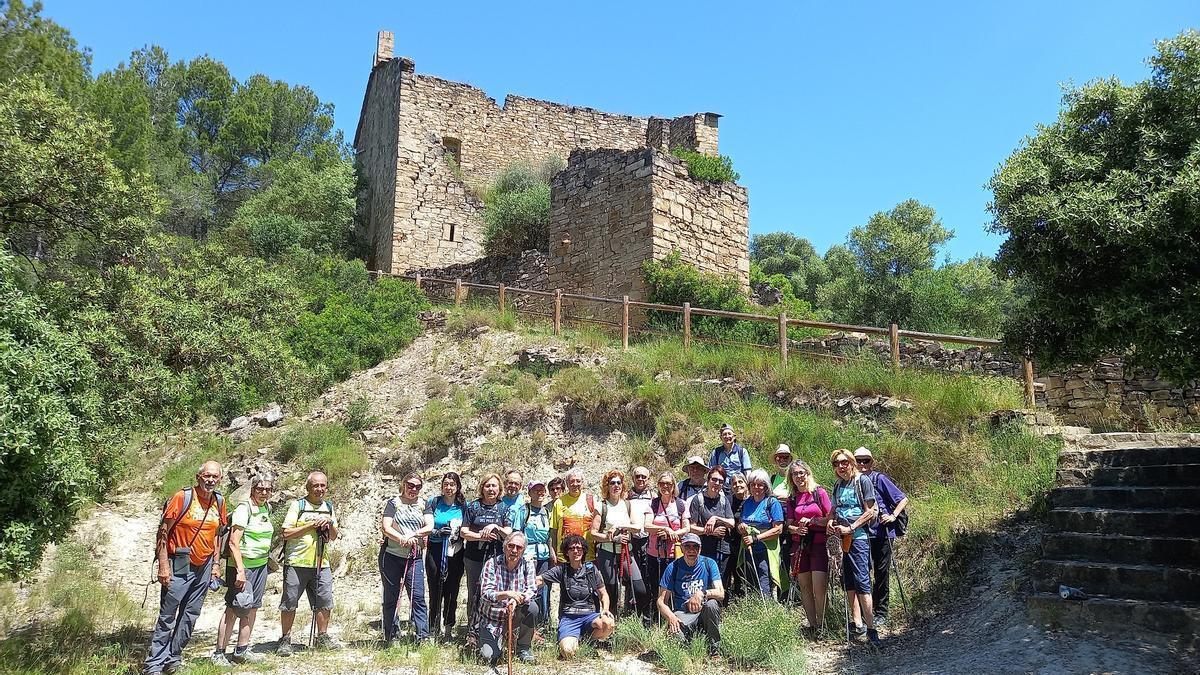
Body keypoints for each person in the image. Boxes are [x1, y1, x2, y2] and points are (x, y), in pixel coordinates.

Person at [145, 461, 228, 675]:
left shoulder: (219, 501)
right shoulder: (182, 498)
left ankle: (173, 658)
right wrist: (163, 565)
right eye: (207, 476)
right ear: (198, 477)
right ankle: (154, 665)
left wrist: (216, 564)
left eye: (215, 477)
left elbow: (217, 535)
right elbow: (163, 532)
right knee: (168, 615)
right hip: (178, 564)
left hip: (204, 566)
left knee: (190, 614)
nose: (211, 480)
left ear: (220, 479)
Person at [212, 472, 273, 666]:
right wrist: (239, 570)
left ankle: (241, 650)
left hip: (260, 565)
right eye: (260, 489)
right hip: (242, 567)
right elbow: (233, 542)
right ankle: (219, 653)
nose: (264, 493)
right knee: (234, 607)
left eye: (268, 489)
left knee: (252, 607)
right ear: (252, 489)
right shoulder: (243, 509)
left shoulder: (266, 508)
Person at [278, 471, 341, 655]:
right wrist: (311, 525)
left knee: (324, 601)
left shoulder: (328, 507)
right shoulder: (298, 505)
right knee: (290, 602)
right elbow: (286, 533)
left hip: (322, 562)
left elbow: (334, 536)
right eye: (315, 485)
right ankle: (285, 639)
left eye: (322, 485)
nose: (319, 489)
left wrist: (329, 524)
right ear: (307, 487)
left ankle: (322, 637)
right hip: (296, 562)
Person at [829, 448, 881, 647]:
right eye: (836, 463)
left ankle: (872, 628)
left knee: (862, 582)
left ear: (851, 462)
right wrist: (831, 521)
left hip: (858, 538)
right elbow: (834, 510)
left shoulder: (862, 481)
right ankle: (857, 623)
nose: (841, 466)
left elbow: (870, 511)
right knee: (848, 581)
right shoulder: (838, 485)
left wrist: (851, 527)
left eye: (844, 462)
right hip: (843, 539)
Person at [537, 533, 616, 658]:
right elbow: (539, 580)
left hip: (590, 616)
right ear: (566, 552)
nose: (576, 551)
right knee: (568, 652)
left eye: (579, 548)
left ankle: (587, 639)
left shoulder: (591, 569)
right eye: (572, 548)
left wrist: (605, 609)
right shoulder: (561, 570)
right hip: (569, 619)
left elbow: (603, 593)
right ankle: (574, 639)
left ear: (583, 551)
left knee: (608, 623)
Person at [854, 447, 908, 627]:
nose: (862, 464)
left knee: (881, 572)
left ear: (872, 462)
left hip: (882, 533)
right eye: (858, 461)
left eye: (866, 460)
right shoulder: (852, 482)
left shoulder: (879, 479)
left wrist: (893, 516)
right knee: (863, 573)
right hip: (860, 534)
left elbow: (902, 499)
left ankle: (881, 612)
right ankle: (866, 611)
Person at [380, 472, 433, 644]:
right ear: (403, 484)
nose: (414, 489)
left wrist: (413, 534)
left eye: (418, 486)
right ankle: (391, 634)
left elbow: (429, 526)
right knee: (392, 597)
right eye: (410, 485)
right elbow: (386, 527)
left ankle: (422, 636)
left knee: (418, 597)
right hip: (391, 555)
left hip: (414, 557)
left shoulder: (424, 504)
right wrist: (401, 538)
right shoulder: (393, 503)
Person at [461, 473, 512, 643]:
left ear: (499, 489)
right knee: (474, 593)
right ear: (482, 488)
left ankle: (492, 629)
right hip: (474, 558)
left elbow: (509, 532)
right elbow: (463, 532)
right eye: (487, 485)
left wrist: (495, 527)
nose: (491, 489)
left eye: (494, 486)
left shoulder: (504, 508)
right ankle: (472, 632)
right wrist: (480, 536)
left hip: (497, 559)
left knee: (494, 593)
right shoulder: (473, 506)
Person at [590, 470, 647, 617]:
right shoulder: (601, 506)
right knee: (612, 591)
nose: (616, 485)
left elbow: (637, 527)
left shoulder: (628, 505)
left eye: (619, 482)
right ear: (607, 486)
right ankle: (611, 622)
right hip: (607, 553)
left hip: (626, 552)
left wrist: (620, 526)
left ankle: (634, 617)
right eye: (612, 483)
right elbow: (593, 533)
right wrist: (612, 538)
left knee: (640, 589)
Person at [477, 532, 540, 665]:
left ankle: (523, 648)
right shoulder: (492, 564)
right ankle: (496, 639)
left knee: (532, 607)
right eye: (511, 546)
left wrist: (517, 599)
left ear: (523, 550)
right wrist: (507, 594)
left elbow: (532, 590)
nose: (514, 550)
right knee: (490, 657)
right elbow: (485, 593)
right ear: (505, 547)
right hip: (492, 619)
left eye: (519, 547)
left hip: (513, 616)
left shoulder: (527, 565)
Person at [784, 459, 832, 632]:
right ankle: (813, 625)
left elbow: (830, 517)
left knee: (819, 586)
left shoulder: (819, 493)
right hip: (800, 545)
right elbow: (788, 524)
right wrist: (796, 529)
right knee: (804, 586)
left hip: (819, 544)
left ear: (807, 473)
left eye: (801, 473)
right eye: (794, 474)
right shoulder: (792, 498)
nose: (798, 477)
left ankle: (823, 623)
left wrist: (812, 521)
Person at [656, 533, 724, 655]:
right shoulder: (673, 567)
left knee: (712, 604)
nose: (691, 550)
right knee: (676, 644)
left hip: (703, 612)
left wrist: (702, 593)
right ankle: (689, 642)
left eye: (695, 546)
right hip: (682, 614)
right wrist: (671, 617)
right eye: (687, 546)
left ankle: (714, 650)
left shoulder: (709, 563)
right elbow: (661, 601)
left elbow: (721, 593)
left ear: (700, 549)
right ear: (682, 548)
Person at [424, 472, 465, 642]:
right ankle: (433, 628)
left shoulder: (463, 505)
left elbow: (468, 526)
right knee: (435, 591)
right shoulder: (434, 502)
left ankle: (448, 629)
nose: (449, 487)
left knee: (452, 592)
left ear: (457, 487)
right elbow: (425, 526)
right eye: (446, 484)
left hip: (455, 552)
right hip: (435, 550)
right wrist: (437, 532)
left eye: (452, 484)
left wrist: (459, 535)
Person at [644, 471, 690, 622]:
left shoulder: (680, 505)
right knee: (655, 587)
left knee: (674, 587)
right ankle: (655, 619)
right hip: (654, 553)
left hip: (674, 554)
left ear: (673, 486)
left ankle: (675, 618)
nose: (665, 486)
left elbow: (687, 528)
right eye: (662, 483)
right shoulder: (653, 504)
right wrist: (665, 529)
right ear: (658, 485)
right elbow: (647, 526)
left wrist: (673, 533)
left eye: (668, 484)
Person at [736, 469, 784, 600]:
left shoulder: (772, 503)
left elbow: (778, 529)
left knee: (764, 581)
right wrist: (741, 527)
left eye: (760, 485)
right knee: (751, 582)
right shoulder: (747, 503)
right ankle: (754, 607)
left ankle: (767, 606)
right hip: (748, 549)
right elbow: (740, 524)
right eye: (753, 484)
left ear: (766, 486)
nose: (756, 487)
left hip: (766, 550)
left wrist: (756, 538)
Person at [686, 467, 735, 587]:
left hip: (722, 549)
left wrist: (716, 518)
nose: (717, 483)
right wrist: (711, 532)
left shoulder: (724, 500)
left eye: (720, 481)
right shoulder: (698, 500)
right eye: (714, 479)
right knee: (705, 581)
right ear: (708, 480)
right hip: (705, 549)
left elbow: (732, 523)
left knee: (722, 582)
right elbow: (691, 528)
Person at [520, 479, 555, 628]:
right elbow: (518, 532)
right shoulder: (524, 510)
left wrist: (552, 552)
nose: (539, 493)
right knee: (530, 587)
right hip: (528, 555)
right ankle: (528, 623)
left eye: (542, 490)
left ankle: (543, 622)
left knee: (544, 587)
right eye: (536, 490)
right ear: (529, 493)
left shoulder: (547, 512)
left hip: (544, 555)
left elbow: (549, 535)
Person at [626, 466, 654, 617]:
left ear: (648, 479)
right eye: (638, 476)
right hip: (631, 540)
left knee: (647, 575)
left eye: (644, 476)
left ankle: (648, 610)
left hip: (648, 540)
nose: (640, 479)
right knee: (631, 575)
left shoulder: (653, 497)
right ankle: (632, 610)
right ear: (633, 478)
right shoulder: (626, 496)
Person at [549, 469, 596, 560]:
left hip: (587, 556)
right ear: (566, 483)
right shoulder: (559, 502)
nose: (575, 484)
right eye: (571, 481)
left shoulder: (591, 500)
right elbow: (553, 531)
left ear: (583, 483)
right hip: (564, 557)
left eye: (578, 481)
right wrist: (553, 552)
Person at [768, 445, 794, 601]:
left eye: (786, 457)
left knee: (788, 555)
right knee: (776, 555)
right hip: (776, 520)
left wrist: (786, 499)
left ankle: (789, 592)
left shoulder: (794, 476)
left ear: (790, 459)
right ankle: (779, 589)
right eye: (779, 457)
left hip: (791, 520)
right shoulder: (772, 478)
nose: (782, 460)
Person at [722, 473, 749, 598]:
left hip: (748, 541)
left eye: (740, 482)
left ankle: (745, 597)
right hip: (731, 542)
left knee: (746, 572)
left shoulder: (752, 500)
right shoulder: (728, 500)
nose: (737, 485)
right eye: (734, 483)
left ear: (746, 483)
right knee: (732, 572)